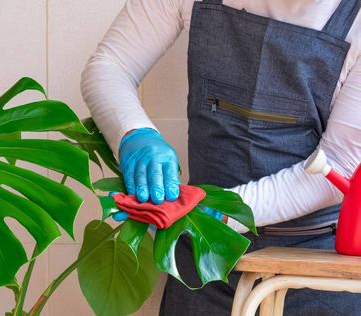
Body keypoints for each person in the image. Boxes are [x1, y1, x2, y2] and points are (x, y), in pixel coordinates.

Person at [81, 0, 361, 314]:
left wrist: (216, 211)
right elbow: (110, 64)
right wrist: (134, 133)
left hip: (316, 267)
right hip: (201, 264)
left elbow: (337, 169)